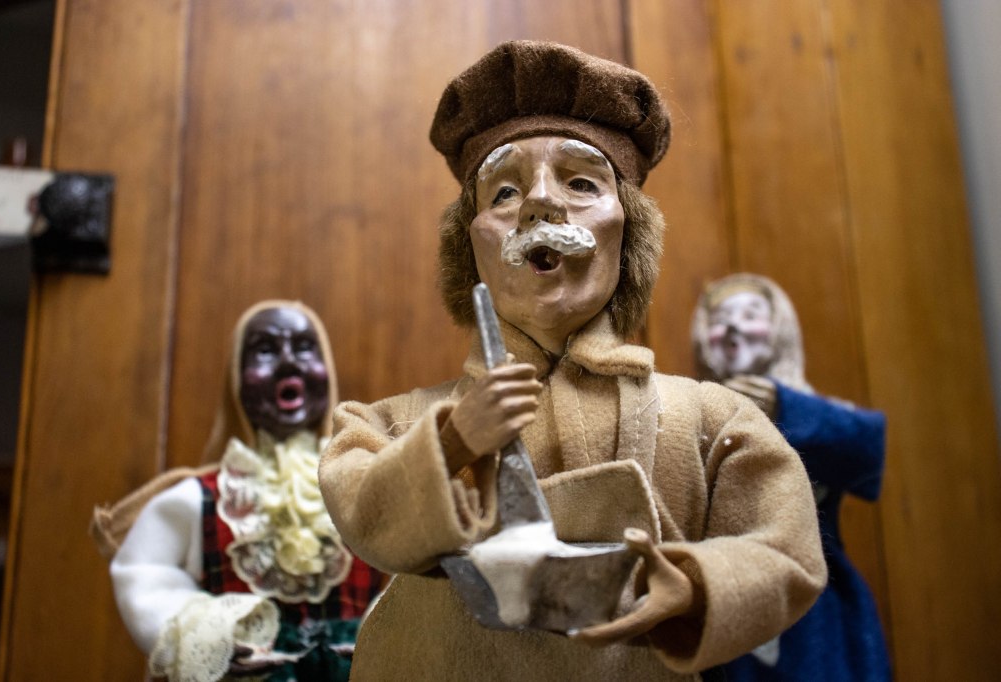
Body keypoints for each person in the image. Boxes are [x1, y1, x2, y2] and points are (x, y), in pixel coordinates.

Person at [317, 41, 827, 680]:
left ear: (630, 231)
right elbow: (361, 505)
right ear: (467, 247)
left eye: (581, 182)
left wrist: (696, 587)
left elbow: (786, 549)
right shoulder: (391, 424)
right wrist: (451, 443)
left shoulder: (712, 419)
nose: (540, 202)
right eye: (504, 192)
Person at [91, 301, 382, 682]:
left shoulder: (363, 488)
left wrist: (383, 635)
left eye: (304, 348)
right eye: (265, 350)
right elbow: (144, 575)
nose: (288, 362)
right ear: (236, 381)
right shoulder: (199, 500)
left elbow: (409, 572)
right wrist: (210, 639)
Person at [692, 273, 891, 682]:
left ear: (779, 329)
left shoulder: (814, 411)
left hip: (815, 611)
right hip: (729, 598)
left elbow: (865, 452)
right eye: (721, 319)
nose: (733, 327)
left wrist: (784, 408)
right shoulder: (693, 419)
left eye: (751, 315)